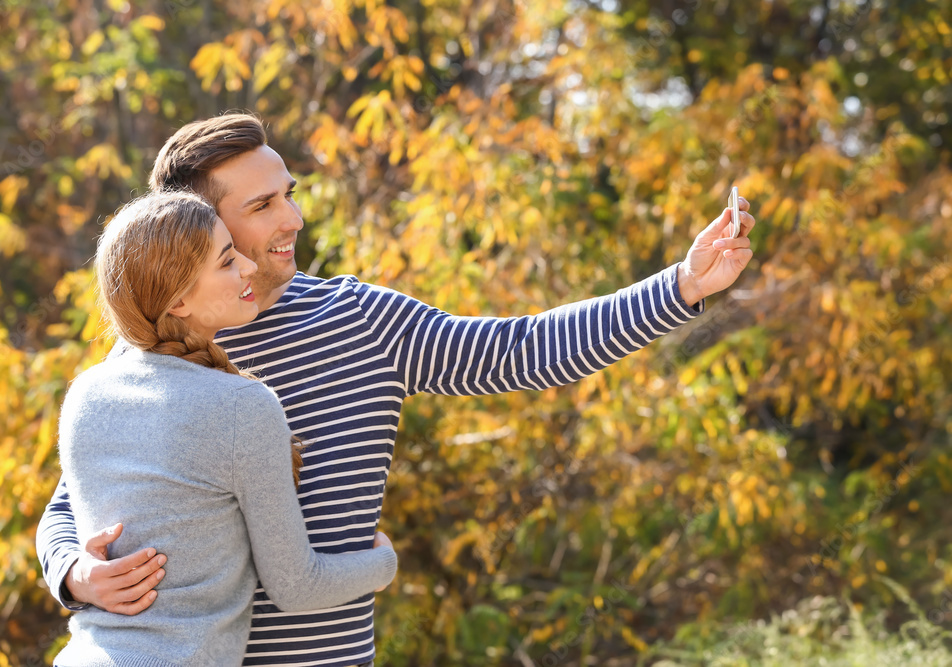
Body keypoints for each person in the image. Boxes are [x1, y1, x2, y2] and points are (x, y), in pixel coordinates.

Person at [38, 113, 756, 667]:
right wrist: (73, 573)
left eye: (289, 194)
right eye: (262, 206)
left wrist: (684, 286)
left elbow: (521, 351)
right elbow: (68, 507)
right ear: (193, 229)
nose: (293, 219)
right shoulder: (146, 352)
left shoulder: (359, 320)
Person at [50, 190, 397, 665]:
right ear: (178, 300)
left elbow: (64, 514)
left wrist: (71, 572)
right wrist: (382, 564)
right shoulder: (242, 406)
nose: (249, 269)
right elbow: (296, 586)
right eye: (227, 260)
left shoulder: (85, 395)